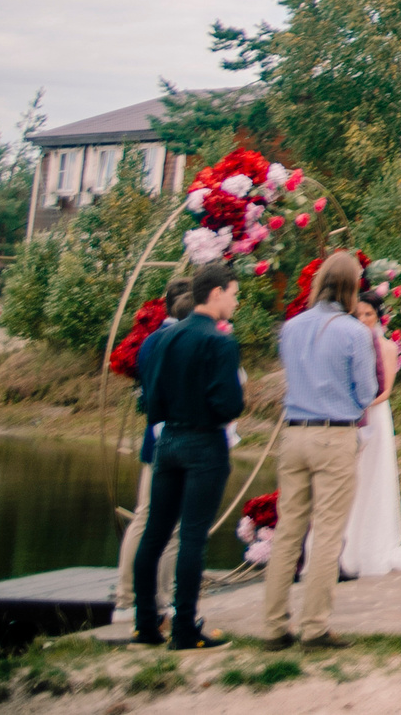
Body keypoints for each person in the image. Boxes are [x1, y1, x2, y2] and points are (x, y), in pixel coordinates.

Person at [263, 250, 379, 648]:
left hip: (294, 433)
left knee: (288, 531)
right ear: (351, 288)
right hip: (334, 434)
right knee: (328, 532)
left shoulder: (291, 327)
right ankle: (314, 626)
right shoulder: (354, 332)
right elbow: (366, 392)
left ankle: (274, 625)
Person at [131, 262, 245, 651]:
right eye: (233, 293)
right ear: (215, 294)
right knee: (193, 537)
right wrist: (214, 410)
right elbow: (230, 404)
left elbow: (150, 400)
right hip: (204, 444)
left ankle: (145, 624)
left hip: (168, 442)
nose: (235, 301)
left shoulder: (163, 338)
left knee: (154, 534)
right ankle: (184, 629)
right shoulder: (220, 342)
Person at [114, 282, 193, 624]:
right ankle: (146, 596)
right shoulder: (179, 341)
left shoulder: (149, 343)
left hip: (155, 439)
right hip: (175, 439)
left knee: (151, 517)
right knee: (161, 520)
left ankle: (136, 596)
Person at [338, 285, 401, 578]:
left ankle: (372, 547)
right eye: (358, 314)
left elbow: (386, 390)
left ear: (378, 317)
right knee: (350, 479)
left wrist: (362, 404)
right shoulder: (348, 343)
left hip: (375, 414)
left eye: (368, 314)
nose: (363, 319)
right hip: (349, 415)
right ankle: (345, 548)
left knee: (373, 478)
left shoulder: (387, 347)